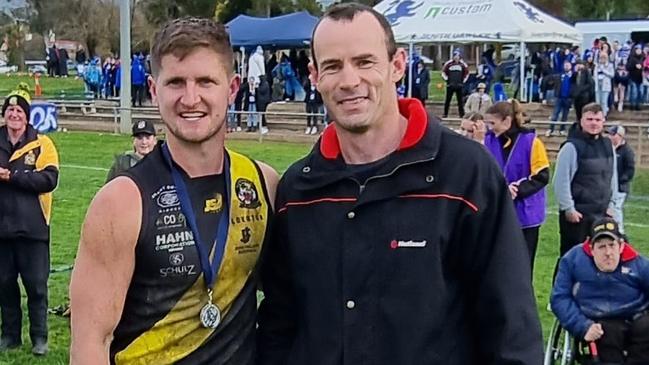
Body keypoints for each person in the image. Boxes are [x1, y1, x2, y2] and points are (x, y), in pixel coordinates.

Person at [256, 3, 543, 364]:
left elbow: (511, 331)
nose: (348, 81)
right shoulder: (299, 190)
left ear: (397, 65)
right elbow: (279, 324)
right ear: (314, 76)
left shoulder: (466, 175)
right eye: (332, 66)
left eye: (364, 61)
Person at [69, 17, 278, 364]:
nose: (190, 98)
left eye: (206, 81)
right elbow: (90, 344)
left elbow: (285, 303)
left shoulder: (261, 184)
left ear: (233, 87)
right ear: (153, 89)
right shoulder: (121, 202)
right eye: (176, 82)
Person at [0, 86, 59, 356]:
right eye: (10, 110)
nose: (14, 114)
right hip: (1, 230)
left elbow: (49, 179)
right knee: (4, 286)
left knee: (36, 286)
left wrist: (12, 177)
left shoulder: (42, 143)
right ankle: (10, 336)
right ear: (4, 115)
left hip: (33, 229)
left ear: (27, 117)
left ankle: (40, 338)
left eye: (19, 111)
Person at [551, 217, 649, 364]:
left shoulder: (638, 263)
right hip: (597, 322)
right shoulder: (573, 260)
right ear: (591, 248)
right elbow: (559, 298)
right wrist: (582, 326)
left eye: (612, 245)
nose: (608, 252)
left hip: (635, 316)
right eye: (602, 247)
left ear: (621, 246)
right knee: (607, 333)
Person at [483, 100, 550, 274]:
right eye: (487, 123)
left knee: (523, 265)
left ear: (507, 121)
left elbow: (542, 176)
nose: (490, 128)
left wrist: (517, 190)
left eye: (493, 123)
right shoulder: (488, 141)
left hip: (526, 215)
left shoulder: (532, 142)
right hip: (498, 211)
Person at [553, 102, 617, 257]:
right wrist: (569, 209)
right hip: (578, 216)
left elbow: (612, 177)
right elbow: (561, 181)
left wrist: (612, 204)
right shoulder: (571, 147)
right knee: (571, 258)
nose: (593, 123)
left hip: (602, 213)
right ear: (581, 121)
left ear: (603, 121)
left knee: (600, 257)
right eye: (589, 119)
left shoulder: (609, 145)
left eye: (597, 119)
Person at [607, 125, 635, 234]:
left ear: (620, 136)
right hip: (609, 186)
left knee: (616, 209)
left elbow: (630, 170)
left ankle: (620, 232)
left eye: (612, 134)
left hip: (620, 187)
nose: (610, 136)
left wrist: (620, 180)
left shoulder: (627, 151)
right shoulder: (610, 149)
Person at [547, 60, 573, 137]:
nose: (566, 67)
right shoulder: (559, 76)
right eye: (565, 65)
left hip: (568, 98)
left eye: (568, 65)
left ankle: (562, 129)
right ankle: (551, 129)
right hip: (559, 97)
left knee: (565, 115)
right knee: (555, 114)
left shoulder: (573, 77)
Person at [441, 48, 469, 118]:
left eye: (457, 56)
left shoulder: (463, 65)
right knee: (447, 100)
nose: (456, 57)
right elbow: (443, 72)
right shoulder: (448, 63)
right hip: (450, 85)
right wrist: (447, 80)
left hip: (459, 85)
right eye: (455, 56)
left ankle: (461, 114)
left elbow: (467, 73)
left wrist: (463, 81)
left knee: (460, 101)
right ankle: (445, 114)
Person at [594, 52, 614, 117]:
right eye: (601, 57)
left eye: (604, 58)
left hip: (605, 85)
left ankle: (603, 115)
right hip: (598, 84)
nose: (602, 59)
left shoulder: (610, 65)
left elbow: (612, 75)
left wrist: (604, 70)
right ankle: (597, 115)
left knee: (604, 101)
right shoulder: (597, 65)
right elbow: (594, 75)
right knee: (597, 102)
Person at [627, 45, 645, 111]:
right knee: (634, 92)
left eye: (640, 49)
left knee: (640, 92)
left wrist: (642, 67)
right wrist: (635, 66)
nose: (639, 51)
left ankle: (638, 105)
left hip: (640, 78)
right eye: (637, 49)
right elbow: (628, 67)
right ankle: (633, 105)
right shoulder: (631, 58)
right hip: (633, 77)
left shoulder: (643, 58)